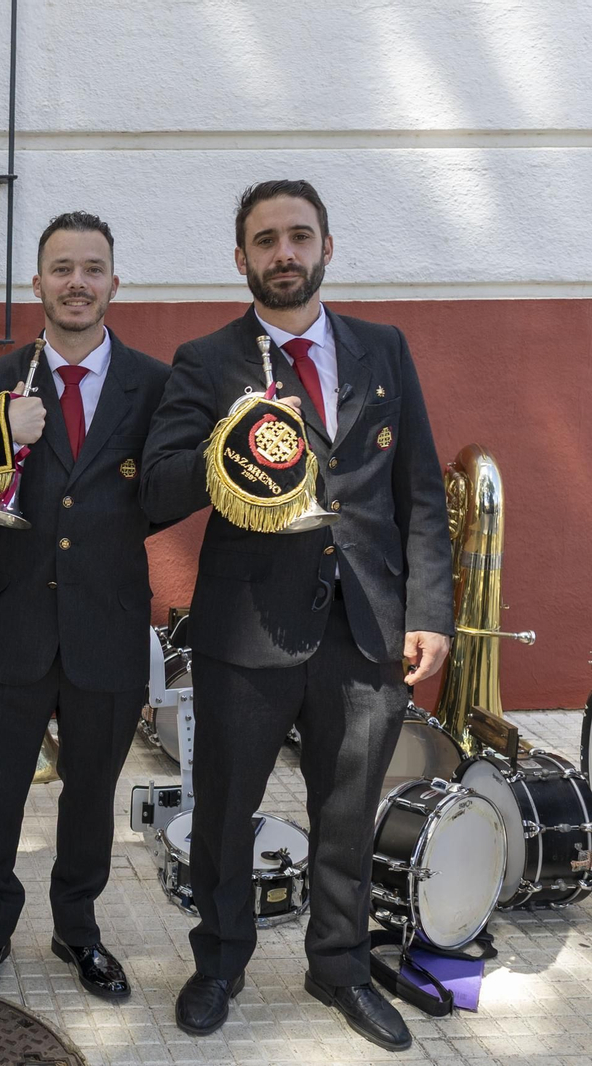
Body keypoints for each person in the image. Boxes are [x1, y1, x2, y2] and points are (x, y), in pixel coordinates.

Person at [140, 180, 453, 1051]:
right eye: (266, 240)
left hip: (367, 626)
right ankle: (219, 963)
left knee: (348, 812)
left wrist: (429, 611)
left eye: (299, 236)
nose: (284, 254)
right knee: (224, 808)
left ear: (326, 247)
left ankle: (339, 967)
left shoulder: (384, 347)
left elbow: (419, 490)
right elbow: (158, 489)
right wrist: (231, 445)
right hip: (248, 629)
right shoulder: (207, 361)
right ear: (240, 258)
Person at [0, 212, 171, 1003]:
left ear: (115, 283)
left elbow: (168, 491)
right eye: (62, 268)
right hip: (10, 623)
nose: (77, 282)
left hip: (107, 623)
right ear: (37, 283)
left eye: (92, 268)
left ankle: (77, 928)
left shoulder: (155, 384)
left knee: (91, 796)